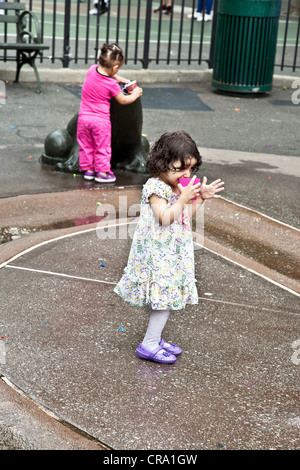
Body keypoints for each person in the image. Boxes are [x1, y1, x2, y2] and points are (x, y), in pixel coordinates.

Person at [114, 130, 224, 363]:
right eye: (181, 168)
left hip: (172, 254)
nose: (186, 174)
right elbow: (164, 218)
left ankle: (155, 337)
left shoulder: (176, 189)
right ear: (162, 164)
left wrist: (200, 199)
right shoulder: (156, 188)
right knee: (164, 299)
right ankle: (149, 344)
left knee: (166, 298)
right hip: (157, 255)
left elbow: (184, 216)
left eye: (191, 169)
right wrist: (184, 198)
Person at [77, 43, 142, 183]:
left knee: (86, 145)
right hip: (100, 122)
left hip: (83, 119)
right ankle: (102, 173)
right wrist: (135, 94)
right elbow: (123, 100)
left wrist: (118, 78)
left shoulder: (91, 70)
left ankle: (89, 171)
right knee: (102, 147)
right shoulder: (111, 85)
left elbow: (104, 75)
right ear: (115, 68)